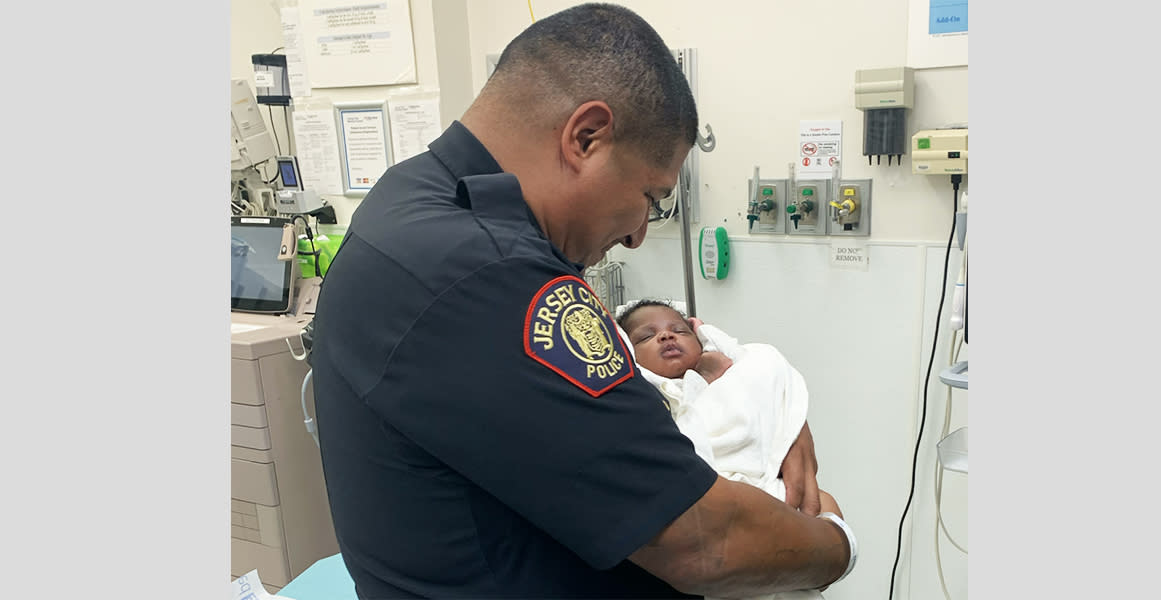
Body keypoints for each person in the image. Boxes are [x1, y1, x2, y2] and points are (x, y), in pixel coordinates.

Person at [310, 4, 854, 598]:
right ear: (586, 137)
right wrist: (838, 540)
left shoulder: (411, 200)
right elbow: (707, 543)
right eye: (651, 194)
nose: (639, 232)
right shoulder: (493, 276)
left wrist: (773, 412)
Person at [616, 300, 851, 600]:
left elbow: (766, 374)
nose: (666, 336)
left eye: (678, 330)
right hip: (712, 517)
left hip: (770, 497)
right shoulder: (644, 396)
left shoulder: (736, 377)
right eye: (645, 337)